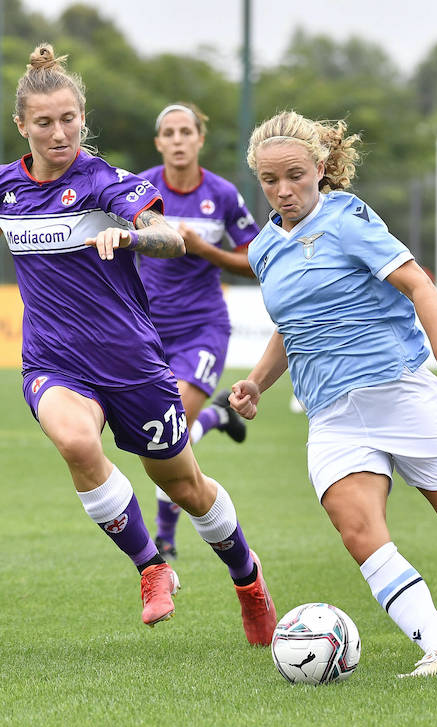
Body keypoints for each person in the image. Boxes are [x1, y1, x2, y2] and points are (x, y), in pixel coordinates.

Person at [0, 44, 276, 641]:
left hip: (134, 364)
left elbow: (167, 235)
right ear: (22, 126)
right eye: (44, 122)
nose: (59, 132)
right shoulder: (3, 184)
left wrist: (134, 238)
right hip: (54, 361)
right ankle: (151, 566)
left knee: (186, 487)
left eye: (69, 119)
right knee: (74, 441)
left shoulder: (104, 182)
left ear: (82, 119)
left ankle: (248, 579)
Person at [228, 110, 437, 677]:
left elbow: (417, 282)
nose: (283, 191)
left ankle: (429, 468)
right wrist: (256, 380)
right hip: (332, 417)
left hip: (401, 393)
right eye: (270, 181)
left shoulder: (349, 220)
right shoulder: (263, 250)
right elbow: (292, 325)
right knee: (358, 530)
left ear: (320, 168)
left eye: (295, 176)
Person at [138, 101, 257, 559]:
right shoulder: (141, 189)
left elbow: (251, 260)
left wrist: (202, 248)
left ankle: (164, 536)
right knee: (159, 435)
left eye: (186, 131)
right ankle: (219, 415)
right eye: (168, 133)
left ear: (199, 139)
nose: (178, 140)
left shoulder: (222, 194)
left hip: (202, 328)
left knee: (175, 427)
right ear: (159, 143)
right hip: (146, 329)